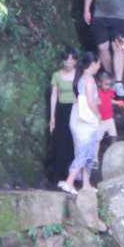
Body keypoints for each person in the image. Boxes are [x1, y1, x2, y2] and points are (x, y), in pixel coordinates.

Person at [58, 52, 102, 194]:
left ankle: (86, 184)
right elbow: (90, 101)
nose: (99, 66)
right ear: (93, 64)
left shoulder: (81, 77)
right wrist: (98, 114)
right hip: (86, 121)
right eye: (99, 63)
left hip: (77, 118)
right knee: (84, 152)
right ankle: (69, 181)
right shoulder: (89, 80)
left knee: (86, 152)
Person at [47, 50, 78, 182]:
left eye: (72, 59)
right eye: (66, 59)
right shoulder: (57, 75)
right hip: (62, 109)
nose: (69, 62)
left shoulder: (79, 75)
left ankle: (72, 174)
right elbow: (54, 96)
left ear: (75, 61)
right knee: (60, 140)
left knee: (74, 140)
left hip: (76, 109)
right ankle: (58, 173)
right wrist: (52, 117)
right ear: (62, 61)